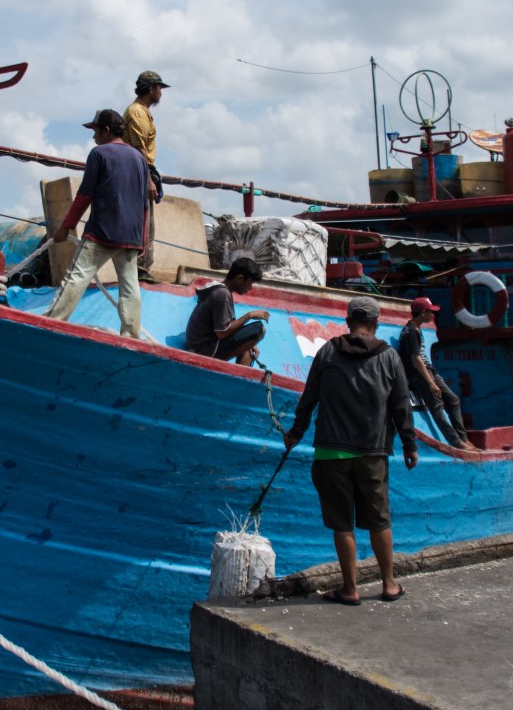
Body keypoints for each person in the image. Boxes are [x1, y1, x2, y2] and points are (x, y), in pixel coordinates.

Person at [283, 296, 418, 606]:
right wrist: (409, 446)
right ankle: (388, 584)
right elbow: (401, 406)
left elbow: (309, 398)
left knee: (342, 523)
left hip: (331, 452)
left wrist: (295, 433)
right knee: (379, 520)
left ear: (348, 321)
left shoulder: (327, 351)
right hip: (373, 452)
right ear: (376, 323)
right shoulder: (389, 356)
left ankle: (350, 588)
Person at [45, 109, 149, 339]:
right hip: (131, 236)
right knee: (130, 287)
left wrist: (66, 226)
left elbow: (84, 195)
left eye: (95, 131)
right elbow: (145, 205)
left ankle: (52, 322)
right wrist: (141, 241)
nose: (93, 137)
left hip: (102, 232)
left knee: (77, 276)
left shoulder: (98, 154)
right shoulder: (140, 159)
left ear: (106, 131)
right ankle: (131, 336)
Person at [398, 297, 472, 449]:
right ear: (423, 313)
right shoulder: (411, 331)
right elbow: (416, 360)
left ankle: (463, 437)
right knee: (437, 408)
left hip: (430, 370)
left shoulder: (417, 329)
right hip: (420, 374)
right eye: (431, 312)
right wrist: (431, 383)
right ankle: (456, 441)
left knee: (453, 400)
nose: (433, 315)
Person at [122, 70, 169, 283]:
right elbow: (139, 149)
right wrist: (148, 178)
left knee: (148, 225)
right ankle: (139, 269)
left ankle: (142, 269)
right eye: (159, 88)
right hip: (139, 172)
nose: (161, 93)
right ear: (151, 89)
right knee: (143, 224)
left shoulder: (143, 112)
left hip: (142, 170)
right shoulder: (137, 113)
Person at [185, 258, 270, 366]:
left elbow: (228, 324)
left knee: (248, 349)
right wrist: (249, 315)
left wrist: (250, 344)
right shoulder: (222, 294)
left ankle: (239, 378)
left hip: (196, 344)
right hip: (203, 350)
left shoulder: (219, 288)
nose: (250, 288)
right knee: (259, 330)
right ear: (239, 279)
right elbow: (222, 333)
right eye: (250, 283)